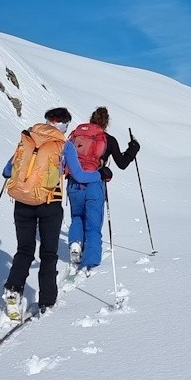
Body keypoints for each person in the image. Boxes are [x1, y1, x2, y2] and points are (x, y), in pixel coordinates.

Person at [0, 107, 101, 320]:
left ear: (47, 121)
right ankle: (47, 300)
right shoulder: (65, 145)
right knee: (48, 253)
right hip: (50, 203)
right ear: (64, 124)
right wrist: (99, 175)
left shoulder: (28, 138)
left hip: (22, 202)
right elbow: (80, 175)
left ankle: (13, 289)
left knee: (24, 250)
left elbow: (7, 171)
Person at [64, 107, 140, 276]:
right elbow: (122, 163)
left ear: (91, 119)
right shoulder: (107, 140)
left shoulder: (77, 136)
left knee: (77, 216)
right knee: (93, 224)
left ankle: (75, 243)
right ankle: (90, 262)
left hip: (74, 183)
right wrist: (133, 148)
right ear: (106, 123)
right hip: (94, 183)